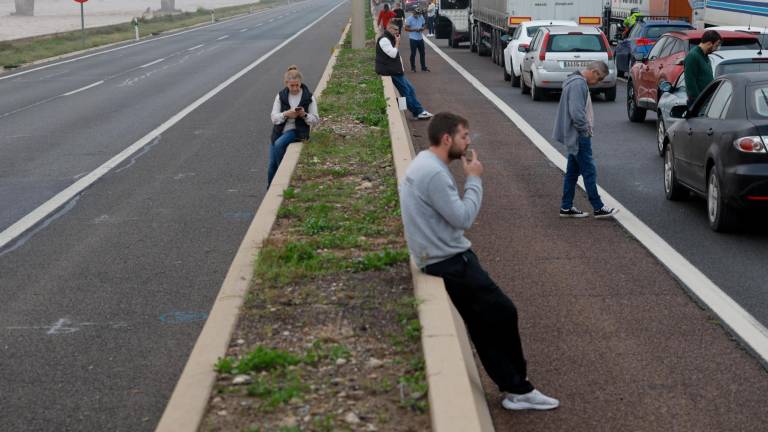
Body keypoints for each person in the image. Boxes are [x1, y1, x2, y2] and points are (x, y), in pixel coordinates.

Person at [399, 112, 560, 411]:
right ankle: (518, 389)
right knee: (503, 313)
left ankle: (515, 387)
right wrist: (474, 180)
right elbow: (463, 218)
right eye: (464, 136)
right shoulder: (434, 173)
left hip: (434, 257)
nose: (469, 141)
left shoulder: (423, 163)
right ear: (447, 139)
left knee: (483, 324)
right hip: (450, 261)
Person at [553, 61, 618, 219]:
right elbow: (576, 113)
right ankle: (598, 207)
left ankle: (566, 206)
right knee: (589, 171)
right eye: (599, 78)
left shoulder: (573, 80)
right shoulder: (579, 84)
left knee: (572, 173)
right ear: (594, 72)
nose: (598, 82)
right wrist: (585, 130)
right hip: (578, 135)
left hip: (573, 134)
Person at [268, 65, 319, 187]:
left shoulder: (308, 97)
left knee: (279, 144)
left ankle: (283, 176)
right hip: (279, 130)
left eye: (297, 85)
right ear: (286, 83)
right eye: (292, 85)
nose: (295, 88)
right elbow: (274, 118)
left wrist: (304, 114)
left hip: (297, 130)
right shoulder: (280, 96)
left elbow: (316, 120)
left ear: (300, 82)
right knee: (271, 164)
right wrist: (286, 114)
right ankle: (270, 188)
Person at [376, 21, 433, 119]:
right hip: (390, 71)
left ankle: (414, 111)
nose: (398, 32)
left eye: (398, 30)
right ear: (389, 29)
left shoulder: (390, 38)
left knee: (409, 90)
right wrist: (397, 42)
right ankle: (418, 111)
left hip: (396, 71)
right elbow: (393, 54)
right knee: (406, 92)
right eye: (396, 30)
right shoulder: (384, 40)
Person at [684, 30, 722, 106]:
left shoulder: (705, 56)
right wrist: (698, 101)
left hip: (706, 101)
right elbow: (690, 82)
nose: (717, 49)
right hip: (698, 103)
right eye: (716, 45)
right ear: (709, 43)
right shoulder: (693, 56)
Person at [405, 7, 429, 72]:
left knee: (422, 53)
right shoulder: (409, 19)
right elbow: (406, 28)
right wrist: (414, 29)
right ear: (413, 13)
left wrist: (422, 28)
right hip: (413, 39)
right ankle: (413, 67)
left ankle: (423, 67)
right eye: (416, 14)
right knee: (413, 53)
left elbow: (425, 25)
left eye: (419, 14)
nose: (418, 15)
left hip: (420, 38)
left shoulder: (421, 17)